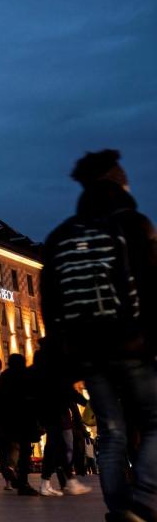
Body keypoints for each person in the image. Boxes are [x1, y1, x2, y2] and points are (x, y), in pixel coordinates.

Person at [40, 150, 156, 521]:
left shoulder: (61, 235)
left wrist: (63, 349)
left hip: (86, 350)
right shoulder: (133, 224)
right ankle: (145, 498)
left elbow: (50, 300)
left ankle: (120, 508)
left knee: (110, 431)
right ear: (120, 184)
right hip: (131, 342)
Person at [33, 338, 92, 497]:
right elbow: (66, 389)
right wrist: (85, 402)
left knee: (54, 447)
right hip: (56, 411)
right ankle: (69, 481)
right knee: (58, 447)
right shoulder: (53, 365)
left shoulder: (39, 363)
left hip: (46, 411)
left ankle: (48, 483)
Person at [0, 353, 40, 496]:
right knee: (25, 452)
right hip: (24, 419)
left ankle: (12, 474)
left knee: (11, 448)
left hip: (8, 421)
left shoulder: (4, 378)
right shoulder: (26, 375)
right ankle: (23, 482)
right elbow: (33, 396)